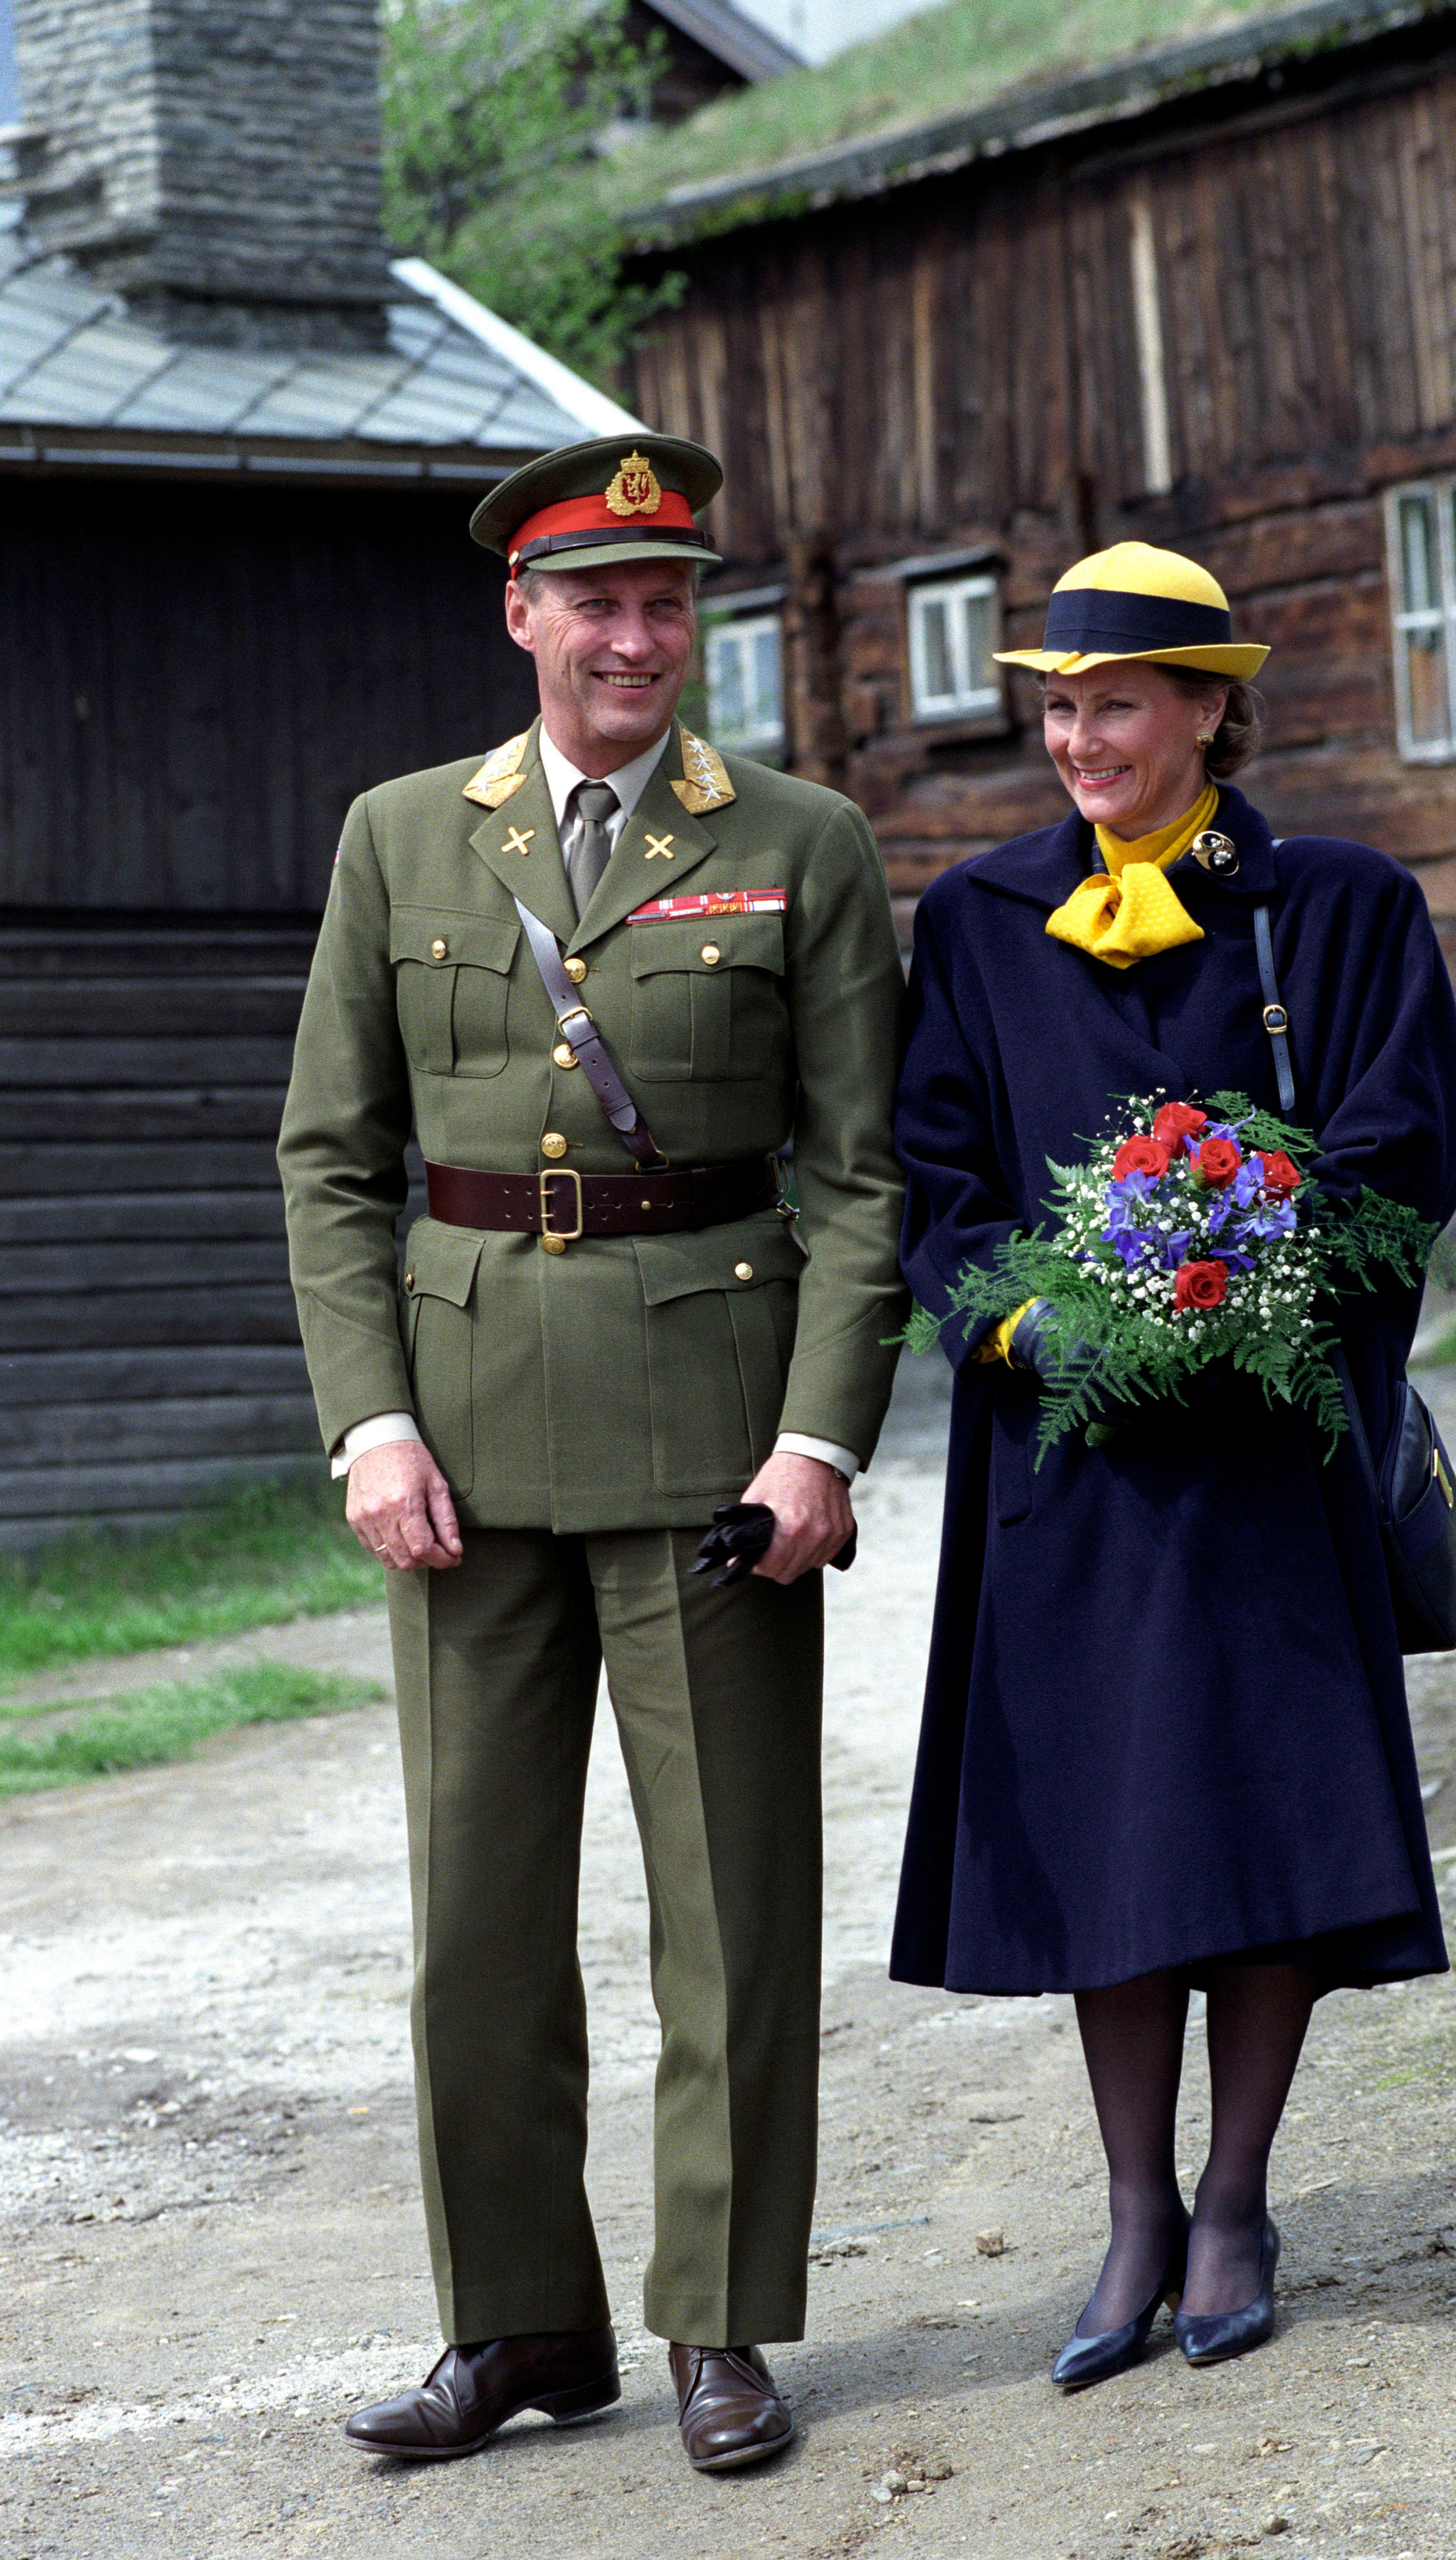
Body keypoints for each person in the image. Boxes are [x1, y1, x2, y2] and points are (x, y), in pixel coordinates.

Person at [277, 433, 906, 2471]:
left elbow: (862, 1178)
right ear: (522, 614)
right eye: (597, 602)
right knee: (475, 1922)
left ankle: (722, 2317)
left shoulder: (799, 839)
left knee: (731, 1911)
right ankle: (522, 2323)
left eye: (665, 601)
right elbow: (330, 1156)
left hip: (717, 1449)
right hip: (459, 1454)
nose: (635, 637)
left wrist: (819, 1438)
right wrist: (372, 1419)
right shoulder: (401, 837)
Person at [888, 542, 1456, 2384]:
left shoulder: (1341, 906)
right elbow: (936, 1182)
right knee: (1114, 1821)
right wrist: (1035, 1327)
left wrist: (1246, 1292)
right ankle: (1134, 2208)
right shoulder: (977, 921)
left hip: (1269, 1449)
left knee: (1263, 1811)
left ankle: (1233, 2199)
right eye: (1060, 708)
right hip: (1071, 1468)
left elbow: (1400, 1148)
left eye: (1117, 705)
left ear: (1213, 710)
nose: (1081, 740)